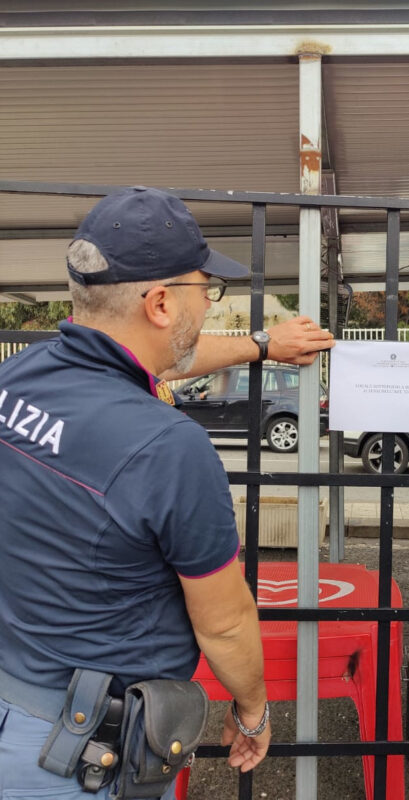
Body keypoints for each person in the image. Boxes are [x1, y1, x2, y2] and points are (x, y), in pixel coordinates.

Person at [0, 186, 334, 797]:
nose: (208, 304)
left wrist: (262, 346)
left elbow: (157, 360)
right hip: (74, 755)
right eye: (205, 289)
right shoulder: (168, 446)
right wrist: (253, 710)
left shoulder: (20, 374)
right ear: (159, 302)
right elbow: (226, 624)